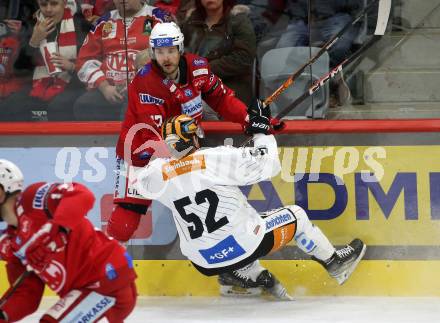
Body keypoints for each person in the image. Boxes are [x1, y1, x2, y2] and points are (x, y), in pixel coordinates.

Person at [134, 104, 366, 299]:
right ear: (193, 137)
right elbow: (268, 165)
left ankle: (234, 274)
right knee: (296, 216)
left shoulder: (158, 173)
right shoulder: (214, 158)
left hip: (203, 262)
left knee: (240, 226)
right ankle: (335, 263)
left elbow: (140, 184)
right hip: (245, 245)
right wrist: (262, 132)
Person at [108, 21, 279, 245]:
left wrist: (249, 119)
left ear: (180, 49)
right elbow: (156, 137)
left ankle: (231, 263)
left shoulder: (198, 67)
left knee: (210, 206)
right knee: (127, 214)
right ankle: (104, 261)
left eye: (171, 51)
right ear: (153, 53)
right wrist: (189, 160)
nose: (166, 58)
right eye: (160, 52)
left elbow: (221, 98)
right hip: (141, 155)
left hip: (183, 147)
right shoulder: (145, 83)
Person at [0, 159, 137, 322]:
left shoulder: (33, 198)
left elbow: (82, 195)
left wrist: (59, 229)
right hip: (83, 291)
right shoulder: (10, 243)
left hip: (109, 277)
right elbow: (27, 295)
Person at [74, 0, 172, 121]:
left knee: (132, 110)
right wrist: (104, 86)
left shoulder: (160, 18)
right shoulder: (103, 22)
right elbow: (85, 61)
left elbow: (172, 58)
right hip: (109, 90)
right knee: (83, 105)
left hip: (147, 91)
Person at [0, 0, 90, 121]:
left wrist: (72, 66)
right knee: (8, 107)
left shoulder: (81, 25)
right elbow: (19, 69)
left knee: (59, 107)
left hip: (73, 83)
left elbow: (93, 64)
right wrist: (33, 42)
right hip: (38, 84)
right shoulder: (32, 26)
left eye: (54, 4)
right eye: (43, 5)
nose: (48, 9)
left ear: (64, 3)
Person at [181, 0, 256, 105]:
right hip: (193, 88)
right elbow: (180, 53)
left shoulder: (238, 21)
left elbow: (243, 58)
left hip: (230, 88)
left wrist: (203, 70)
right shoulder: (192, 22)